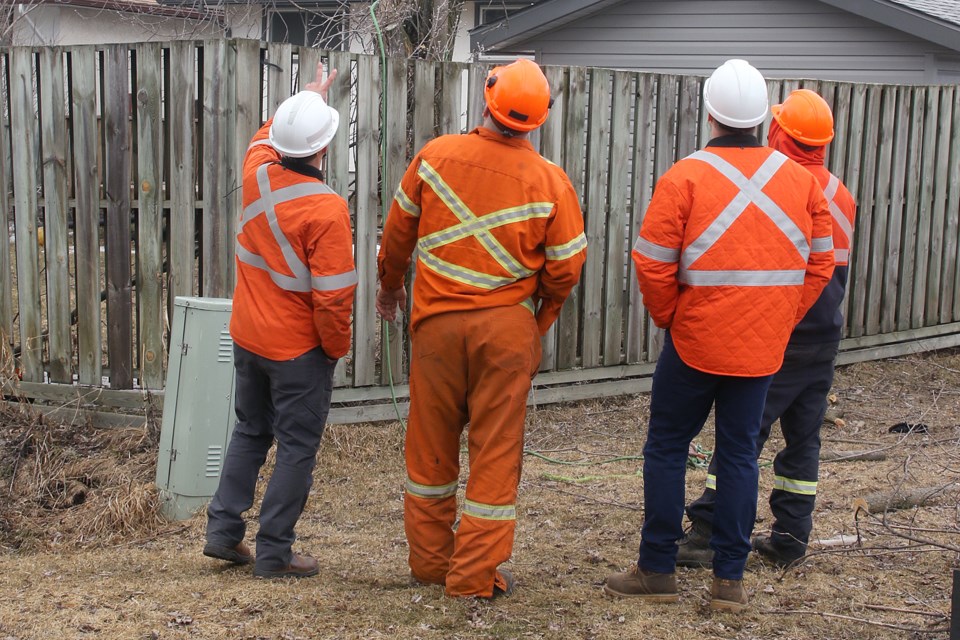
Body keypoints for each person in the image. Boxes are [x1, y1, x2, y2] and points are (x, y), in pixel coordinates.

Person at [604, 59, 834, 612]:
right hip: (758, 351)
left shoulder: (684, 176)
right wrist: (777, 321)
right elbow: (820, 266)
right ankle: (728, 582)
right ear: (762, 117)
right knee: (737, 459)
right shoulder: (803, 183)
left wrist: (671, 319)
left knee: (666, 448)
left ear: (710, 113)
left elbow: (653, 263)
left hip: (693, 343)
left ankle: (657, 568)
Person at [376, 58, 587, 599]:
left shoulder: (435, 156)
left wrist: (391, 287)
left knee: (429, 449)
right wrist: (536, 322)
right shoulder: (551, 182)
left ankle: (429, 563)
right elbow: (565, 270)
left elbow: (397, 235)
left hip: (437, 330)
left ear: (488, 97)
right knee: (495, 453)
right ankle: (472, 578)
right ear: (537, 119)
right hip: (506, 333)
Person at [678, 89, 857, 570]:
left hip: (782, 331)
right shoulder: (841, 192)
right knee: (804, 439)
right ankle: (791, 536)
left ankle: (708, 531)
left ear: (780, 132)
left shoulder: (784, 185)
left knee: (742, 435)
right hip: (825, 336)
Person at [203, 63, 357, 579]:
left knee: (250, 430)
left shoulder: (255, 174)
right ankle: (274, 553)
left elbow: (267, 134)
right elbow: (334, 298)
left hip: (248, 338)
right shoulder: (328, 209)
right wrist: (334, 349)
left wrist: (306, 96)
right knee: (296, 447)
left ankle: (223, 533)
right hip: (297, 352)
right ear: (324, 150)